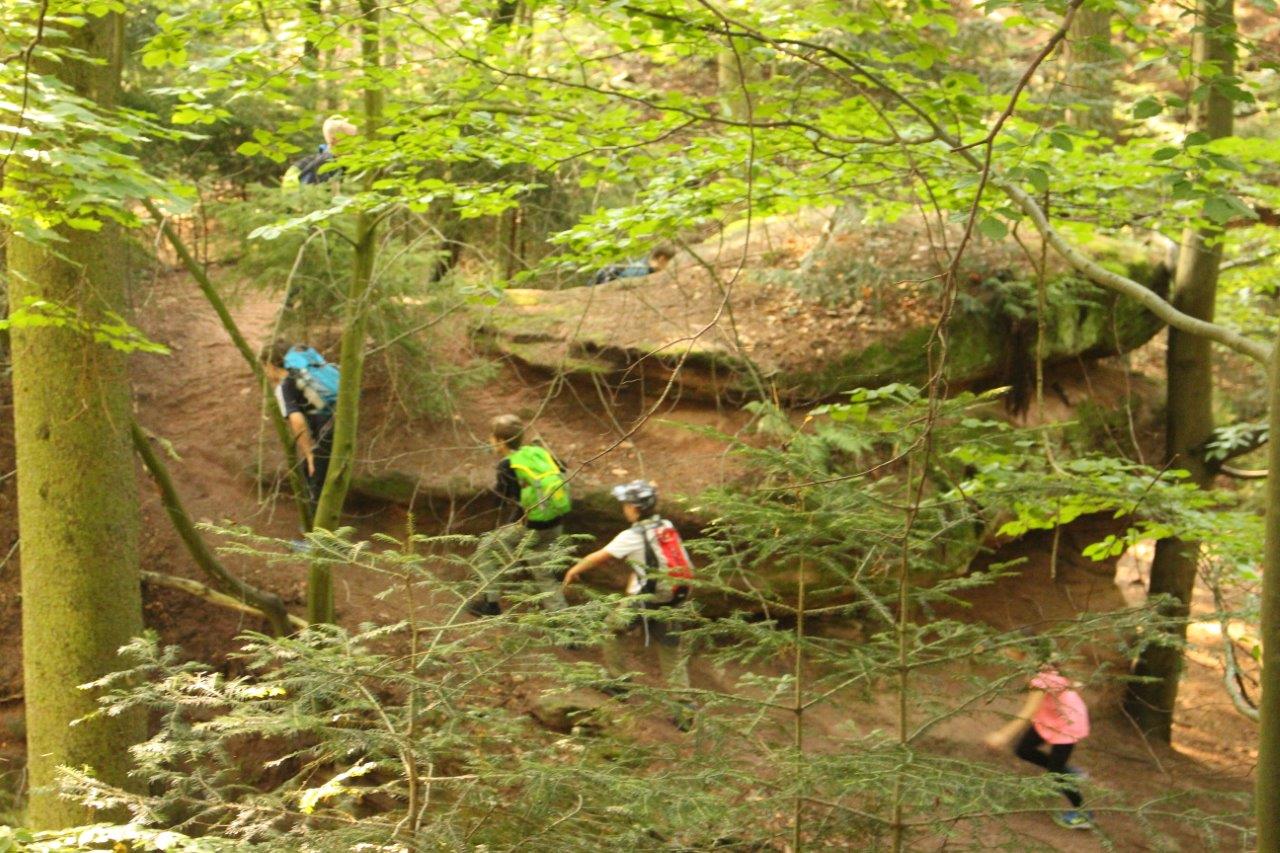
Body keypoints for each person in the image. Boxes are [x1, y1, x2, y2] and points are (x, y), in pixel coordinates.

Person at [562, 480, 693, 715]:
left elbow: (599, 557)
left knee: (612, 627)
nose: (623, 508)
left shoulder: (631, 536)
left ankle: (617, 682)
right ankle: (683, 708)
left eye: (625, 504)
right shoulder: (666, 525)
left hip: (648, 598)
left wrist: (575, 570)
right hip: (676, 595)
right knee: (670, 649)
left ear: (634, 509)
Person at [467, 414, 572, 617]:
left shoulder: (507, 465)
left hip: (531, 527)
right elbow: (562, 466)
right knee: (543, 574)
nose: (490, 440)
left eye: (492, 437)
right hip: (555, 524)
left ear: (500, 441)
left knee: (487, 546)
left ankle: (490, 604)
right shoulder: (537, 451)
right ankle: (569, 629)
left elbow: (501, 500)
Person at [984, 638, 1092, 830]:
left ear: (1023, 652)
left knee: (1055, 774)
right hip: (1049, 716)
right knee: (1023, 750)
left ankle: (1083, 812)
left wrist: (1002, 735)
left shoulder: (1041, 678)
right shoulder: (1038, 663)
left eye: (1009, 650)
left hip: (1067, 722)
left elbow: (1027, 713)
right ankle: (1068, 771)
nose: (1005, 654)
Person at [260, 342, 338, 512]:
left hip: (326, 435)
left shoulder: (286, 386)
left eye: (264, 367)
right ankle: (318, 532)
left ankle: (317, 537)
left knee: (316, 483)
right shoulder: (311, 372)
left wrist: (309, 455)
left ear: (270, 365)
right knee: (313, 476)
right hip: (340, 428)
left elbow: (296, 420)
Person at [590, 244, 675, 285]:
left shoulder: (643, 264)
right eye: (667, 263)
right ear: (662, 259)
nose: (667, 267)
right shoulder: (641, 271)